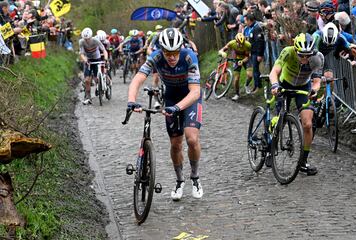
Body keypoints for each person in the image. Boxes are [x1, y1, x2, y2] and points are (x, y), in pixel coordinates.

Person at [127, 28, 204, 201]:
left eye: (175, 52)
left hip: (190, 99)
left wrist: (178, 107)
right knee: (176, 144)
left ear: (180, 48)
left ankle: (195, 177)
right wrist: (131, 101)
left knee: (191, 139)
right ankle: (179, 180)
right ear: (161, 50)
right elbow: (138, 79)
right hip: (170, 98)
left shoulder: (189, 56)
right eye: (168, 52)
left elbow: (195, 92)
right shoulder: (155, 57)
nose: (172, 57)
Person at [269, 33, 324, 176]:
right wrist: (275, 85)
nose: (305, 59)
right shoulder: (288, 52)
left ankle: (303, 162)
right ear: (295, 49)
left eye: (308, 56)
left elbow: (317, 81)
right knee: (278, 122)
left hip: (303, 87)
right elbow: (274, 71)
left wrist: (314, 90)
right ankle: (270, 147)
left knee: (307, 124)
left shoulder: (318, 58)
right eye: (301, 56)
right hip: (284, 84)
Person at [79, 27, 108, 105]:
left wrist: (105, 59)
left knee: (96, 78)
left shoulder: (95, 40)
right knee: (87, 80)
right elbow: (81, 53)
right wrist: (85, 60)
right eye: (85, 39)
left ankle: (100, 86)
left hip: (96, 59)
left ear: (91, 37)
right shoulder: (81, 42)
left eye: (88, 39)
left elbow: (104, 50)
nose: (86, 40)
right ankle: (88, 97)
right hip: (88, 60)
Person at [218, 32, 251, 100]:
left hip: (245, 59)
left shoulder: (247, 45)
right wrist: (222, 52)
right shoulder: (232, 43)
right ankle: (237, 94)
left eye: (242, 44)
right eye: (239, 44)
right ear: (236, 42)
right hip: (236, 59)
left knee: (250, 75)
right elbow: (221, 50)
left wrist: (242, 61)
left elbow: (247, 57)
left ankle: (246, 85)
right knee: (236, 79)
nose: (241, 45)